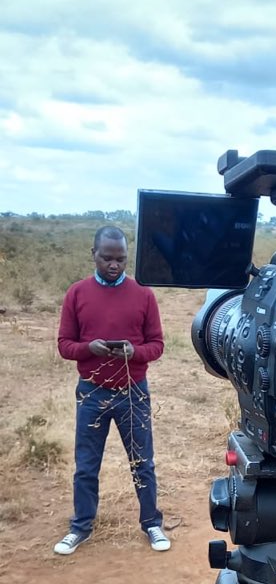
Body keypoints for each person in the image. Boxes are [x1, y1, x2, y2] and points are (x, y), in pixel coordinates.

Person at [54, 225, 170, 555]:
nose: (114, 265)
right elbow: (64, 345)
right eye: (107, 258)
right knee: (86, 465)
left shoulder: (144, 295)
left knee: (142, 462)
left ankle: (152, 524)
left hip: (133, 391)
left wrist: (135, 352)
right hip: (92, 392)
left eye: (120, 259)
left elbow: (157, 345)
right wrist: (90, 347)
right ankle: (81, 527)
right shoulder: (77, 293)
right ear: (93, 255)